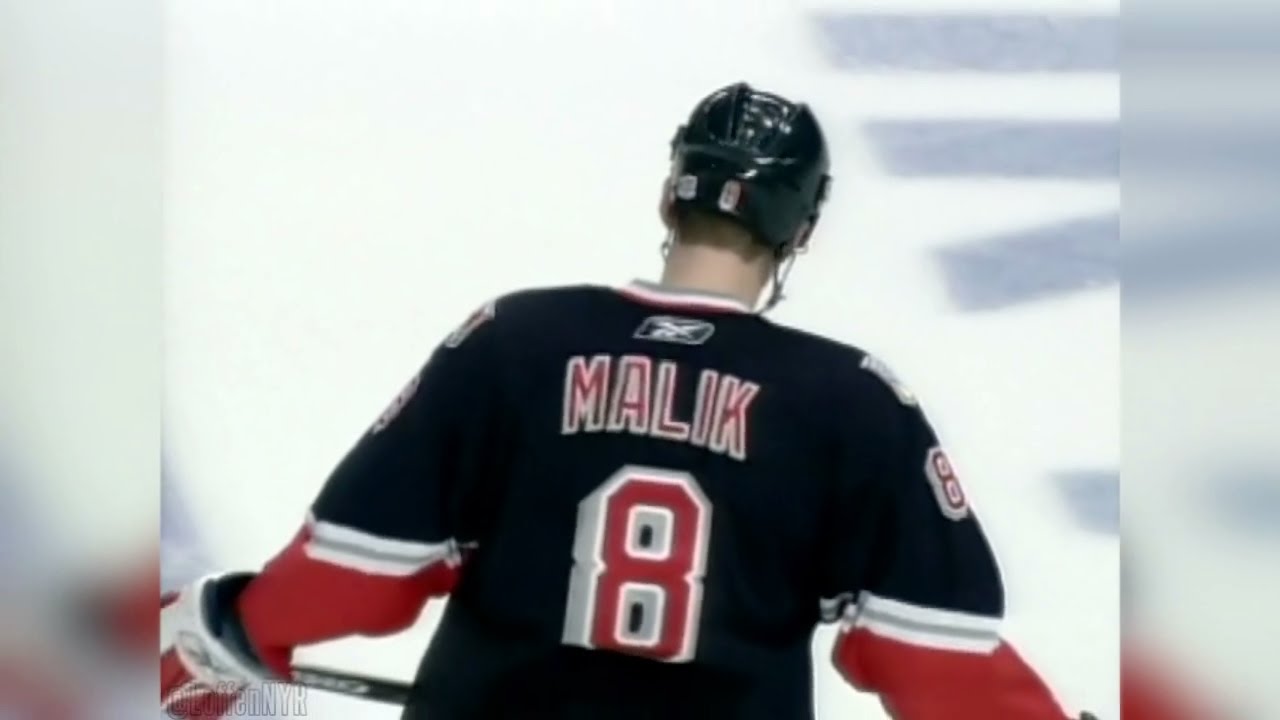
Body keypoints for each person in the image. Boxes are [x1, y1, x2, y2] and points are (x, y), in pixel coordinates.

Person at [161, 82, 1092, 719]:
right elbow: (933, 662)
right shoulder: (852, 403)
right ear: (801, 229)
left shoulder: (513, 340)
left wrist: (226, 625)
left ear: (667, 197)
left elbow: (359, 574)